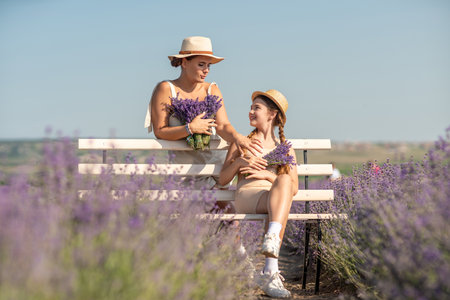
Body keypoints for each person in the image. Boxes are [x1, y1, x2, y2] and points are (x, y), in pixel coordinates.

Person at [144, 36, 262, 191]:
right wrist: (190, 128)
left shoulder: (211, 89)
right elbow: (160, 131)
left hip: (215, 168)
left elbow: (223, 125)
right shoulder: (166, 89)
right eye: (201, 64)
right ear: (184, 63)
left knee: (225, 211)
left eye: (209, 65)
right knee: (223, 212)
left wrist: (237, 137)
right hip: (186, 172)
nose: (206, 70)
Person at [218, 89, 298, 298]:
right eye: (251, 108)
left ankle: (270, 265)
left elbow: (294, 187)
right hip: (247, 196)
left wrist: (266, 174)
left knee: (284, 180)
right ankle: (271, 270)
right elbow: (222, 179)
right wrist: (241, 162)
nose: (250, 112)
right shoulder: (241, 142)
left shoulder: (285, 148)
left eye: (257, 108)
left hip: (272, 197)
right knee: (280, 202)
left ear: (272, 114)